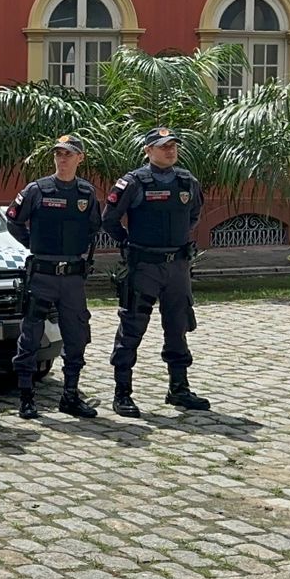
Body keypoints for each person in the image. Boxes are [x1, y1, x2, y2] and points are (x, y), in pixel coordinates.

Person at [103, 126, 210, 417]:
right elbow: (110, 218)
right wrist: (127, 243)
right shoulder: (134, 183)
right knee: (132, 328)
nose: (170, 150)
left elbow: (194, 216)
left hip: (177, 267)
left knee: (177, 327)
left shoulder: (187, 181)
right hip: (144, 267)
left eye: (173, 145)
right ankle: (122, 392)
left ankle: (179, 388)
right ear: (148, 151)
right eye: (162, 146)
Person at [5, 136, 100, 420]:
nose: (62, 159)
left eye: (68, 154)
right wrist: (33, 244)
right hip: (43, 274)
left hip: (72, 277)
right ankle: (26, 397)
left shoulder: (86, 193)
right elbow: (14, 219)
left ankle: (70, 395)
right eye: (58, 154)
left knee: (76, 335)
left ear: (80, 158)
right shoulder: (38, 190)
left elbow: (94, 227)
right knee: (31, 335)